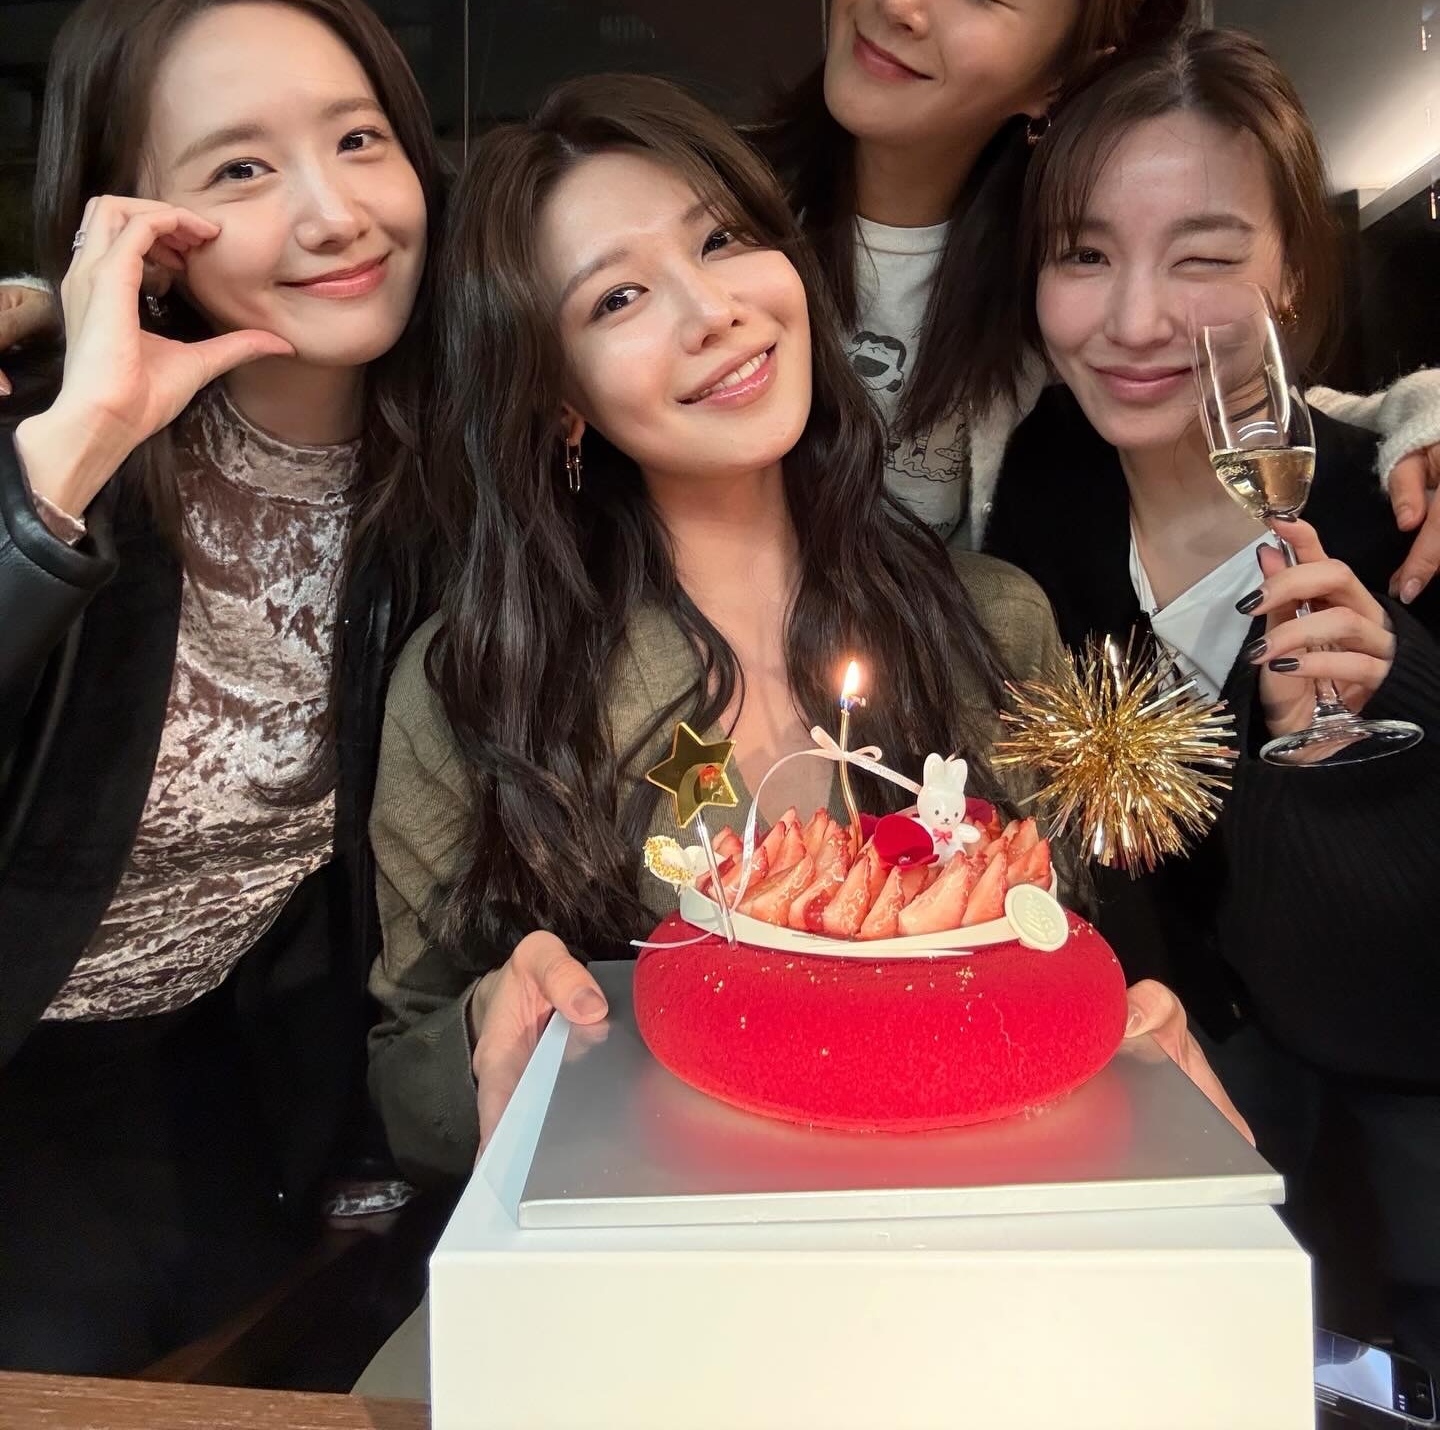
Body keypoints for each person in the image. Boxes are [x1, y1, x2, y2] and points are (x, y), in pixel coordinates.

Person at [364, 72, 1244, 1189]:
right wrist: (493, 1019)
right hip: (672, 1238)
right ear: (557, 396)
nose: (711, 311)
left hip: (968, 1230)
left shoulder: (990, 623)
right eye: (618, 299)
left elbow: (1064, 954)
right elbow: (405, 1076)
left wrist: (1133, 1038)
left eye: (722, 240)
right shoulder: (482, 683)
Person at [0, 0, 443, 1374]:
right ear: (130, 230)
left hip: (207, 1086)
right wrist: (67, 458)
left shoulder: (458, 471)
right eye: (240, 170)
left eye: (358, 140)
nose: (334, 214)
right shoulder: (40, 439)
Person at [985, 28, 1440, 1369]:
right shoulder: (1043, 494)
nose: (1133, 322)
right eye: (1084, 254)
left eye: (1201, 257)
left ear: (1291, 268)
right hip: (1165, 1185)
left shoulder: (1406, 517)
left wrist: (1368, 737)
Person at [761, 0, 1440, 595]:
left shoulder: (1065, 268)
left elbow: (1238, 399)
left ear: (1065, 72)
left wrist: (1422, 415)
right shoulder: (715, 214)